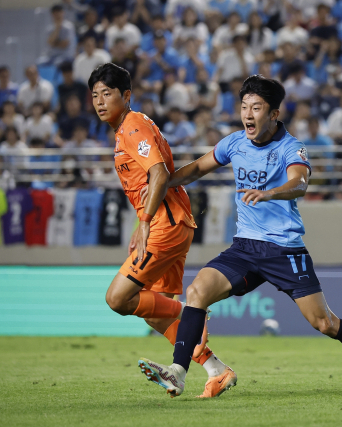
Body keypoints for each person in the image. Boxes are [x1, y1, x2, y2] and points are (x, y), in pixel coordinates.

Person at [137, 75, 342, 399]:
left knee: (326, 323)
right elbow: (197, 169)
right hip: (244, 248)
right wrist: (164, 183)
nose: (248, 114)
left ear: (273, 114)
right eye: (244, 106)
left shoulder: (292, 147)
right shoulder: (234, 142)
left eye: (256, 107)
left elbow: (300, 184)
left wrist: (271, 193)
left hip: (284, 250)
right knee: (197, 291)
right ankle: (178, 372)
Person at [89, 63, 236, 399]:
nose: (99, 101)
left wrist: (144, 222)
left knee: (118, 299)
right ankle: (216, 370)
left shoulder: (133, 125)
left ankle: (192, 312)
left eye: (107, 94)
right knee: (155, 313)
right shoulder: (125, 129)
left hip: (165, 226)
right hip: (169, 223)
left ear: (126, 96)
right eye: (95, 95)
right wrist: (142, 220)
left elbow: (157, 173)